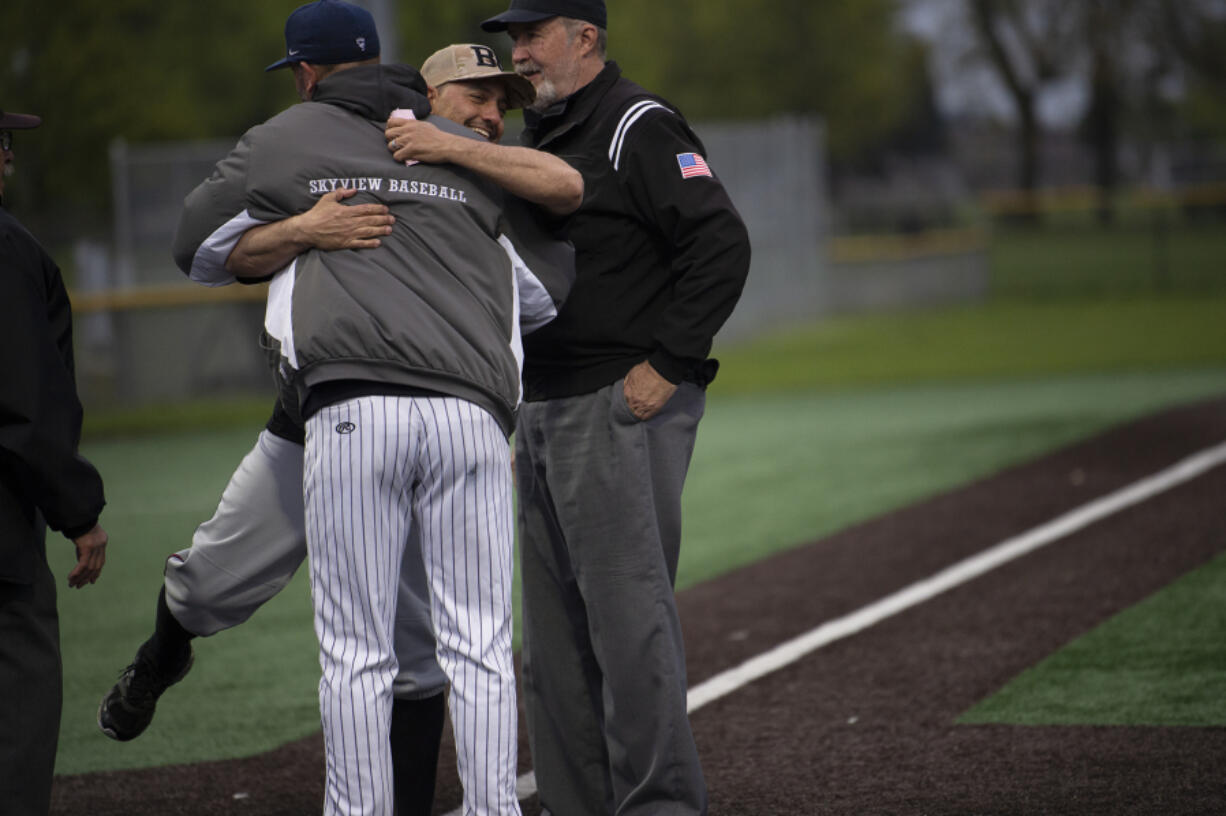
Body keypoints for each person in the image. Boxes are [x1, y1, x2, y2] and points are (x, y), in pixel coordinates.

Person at [98, 18, 578, 816]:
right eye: (477, 96)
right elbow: (213, 250)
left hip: (421, 415)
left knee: (419, 646)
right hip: (313, 418)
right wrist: (302, 230)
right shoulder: (314, 150)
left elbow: (548, 271)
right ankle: (161, 655)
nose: (493, 114)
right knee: (210, 583)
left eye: (505, 102)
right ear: (421, 97)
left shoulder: (487, 177)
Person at [479, 1, 753, 814]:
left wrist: (670, 362)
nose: (517, 52)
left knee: (629, 634)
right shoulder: (546, 137)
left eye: (531, 35)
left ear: (585, 38)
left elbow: (721, 244)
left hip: (614, 406)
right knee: (555, 654)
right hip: (544, 409)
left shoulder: (637, 123)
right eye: (511, 37)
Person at [1, 108, 110, 816]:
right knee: (19, 686)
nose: (8, 153)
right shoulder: (8, 249)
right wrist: (79, 512)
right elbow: (23, 405)